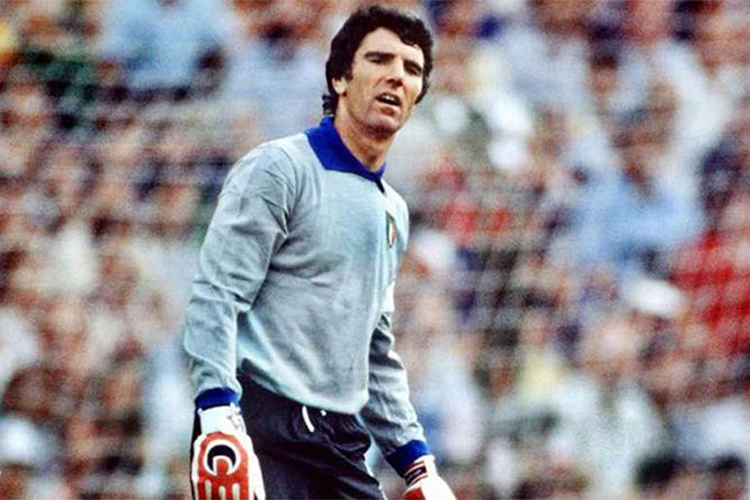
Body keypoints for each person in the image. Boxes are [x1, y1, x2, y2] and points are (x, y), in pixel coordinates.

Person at [183, 5, 456, 499]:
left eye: (411, 69)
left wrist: (419, 465)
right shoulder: (279, 169)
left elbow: (374, 348)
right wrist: (217, 414)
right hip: (263, 428)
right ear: (340, 78)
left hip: (342, 441)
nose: (396, 76)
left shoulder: (393, 212)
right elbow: (218, 295)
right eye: (379, 59)